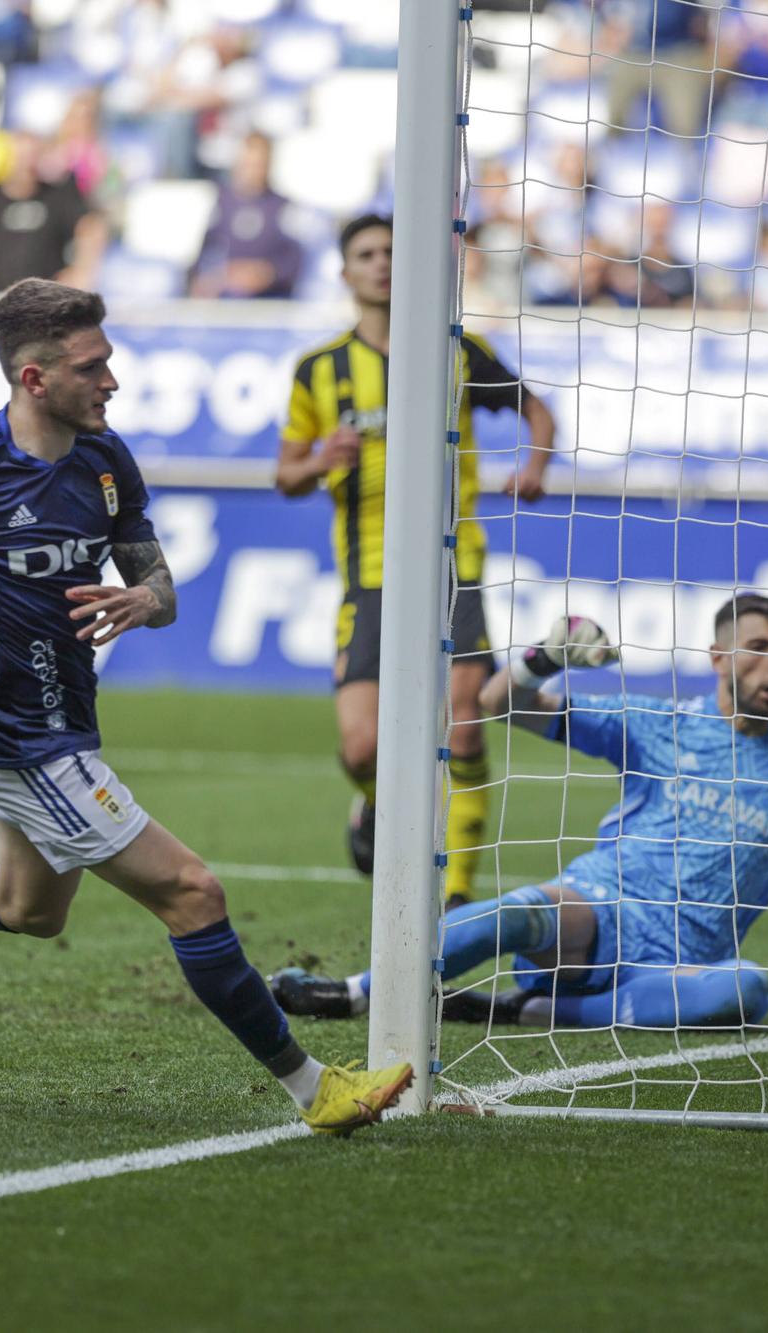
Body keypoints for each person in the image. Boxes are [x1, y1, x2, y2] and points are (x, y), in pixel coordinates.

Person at [0, 279, 412, 1136]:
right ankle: (313, 1088)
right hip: (19, 737)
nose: (112, 381)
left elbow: (159, 584)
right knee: (193, 892)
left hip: (67, 720)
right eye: (93, 366)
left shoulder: (105, 460)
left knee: (28, 908)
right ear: (33, 377)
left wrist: (144, 601)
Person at [273, 598, 768, 1033]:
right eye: (759, 648)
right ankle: (353, 993)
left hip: (686, 968)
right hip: (597, 917)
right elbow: (498, 704)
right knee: (519, 911)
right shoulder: (657, 722)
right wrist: (547, 656)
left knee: (747, 992)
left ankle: (521, 1010)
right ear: (717, 657)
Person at [275, 213, 558, 907]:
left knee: (463, 713)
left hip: (451, 561)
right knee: (362, 747)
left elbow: (537, 410)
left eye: (393, 253)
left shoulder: (457, 350)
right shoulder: (319, 369)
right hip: (368, 574)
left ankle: (456, 894)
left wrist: (535, 466)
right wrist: (319, 460)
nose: (381, 264)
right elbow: (285, 475)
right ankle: (378, 803)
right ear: (345, 273)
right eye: (366, 254)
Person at [0, 134, 107, 296]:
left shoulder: (57, 195)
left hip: (46, 299)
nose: (25, 164)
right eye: (20, 157)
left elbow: (92, 226)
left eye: (32, 157)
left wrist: (80, 269)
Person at [188, 130, 303, 300]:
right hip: (222, 296)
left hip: (269, 300)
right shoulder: (219, 202)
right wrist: (208, 280)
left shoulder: (284, 207)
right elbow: (200, 255)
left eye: (259, 164)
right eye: (248, 163)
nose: (252, 171)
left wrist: (266, 274)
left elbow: (295, 260)